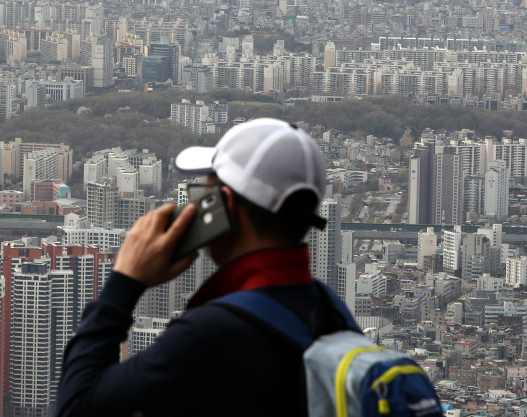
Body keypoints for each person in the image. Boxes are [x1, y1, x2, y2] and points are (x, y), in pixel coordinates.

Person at [56, 117, 358, 417]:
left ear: (223, 204)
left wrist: (124, 281)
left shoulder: (209, 333)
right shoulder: (333, 313)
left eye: (204, 194)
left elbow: (76, 406)